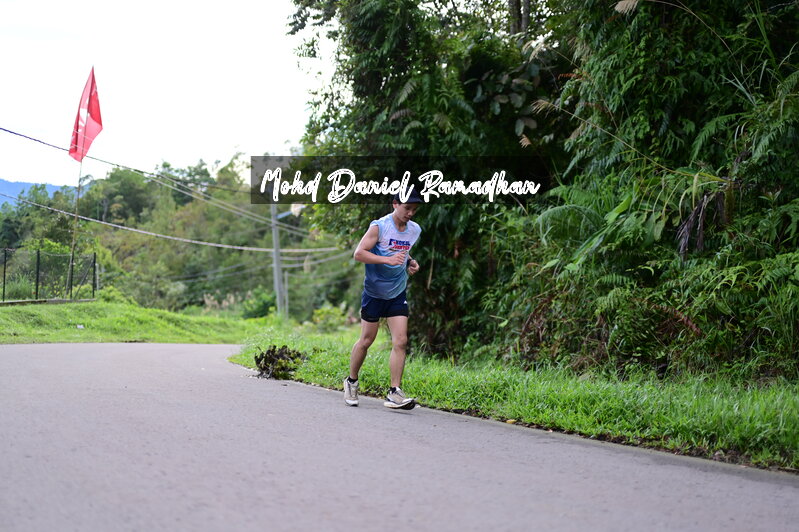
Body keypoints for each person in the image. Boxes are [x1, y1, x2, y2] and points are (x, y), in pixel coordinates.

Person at [344, 190, 423, 409]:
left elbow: (402, 251)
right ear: (395, 204)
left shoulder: (414, 230)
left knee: (401, 341)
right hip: (374, 293)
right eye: (407, 208)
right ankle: (351, 381)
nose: (410, 213)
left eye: (414, 210)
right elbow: (359, 253)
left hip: (397, 292)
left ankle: (394, 392)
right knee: (366, 341)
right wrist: (387, 260)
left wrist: (410, 263)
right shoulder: (379, 227)